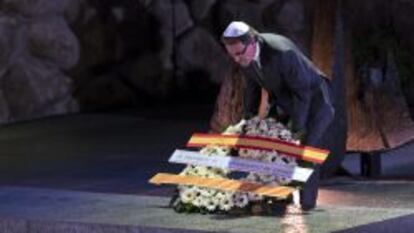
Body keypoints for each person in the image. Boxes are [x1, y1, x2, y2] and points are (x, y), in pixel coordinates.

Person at [221, 21, 335, 210]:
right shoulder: (243, 57)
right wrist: (248, 121)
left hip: (316, 101)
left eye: (239, 53)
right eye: (231, 55)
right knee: (275, 146)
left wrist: (298, 129)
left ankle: (307, 204)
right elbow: (253, 88)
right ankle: (280, 196)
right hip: (289, 101)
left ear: (252, 42)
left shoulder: (282, 52)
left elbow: (303, 93)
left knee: (306, 150)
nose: (236, 59)